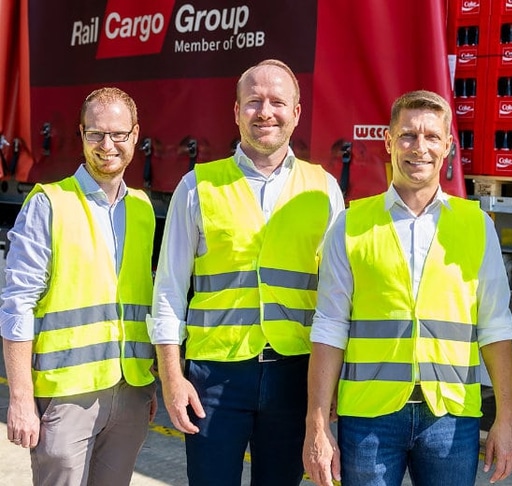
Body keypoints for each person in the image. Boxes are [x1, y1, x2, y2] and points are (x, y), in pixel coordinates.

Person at [303, 90, 512, 486]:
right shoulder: (351, 225)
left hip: (450, 418)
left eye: (432, 136)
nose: (419, 147)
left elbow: (496, 326)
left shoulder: (477, 226)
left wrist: (507, 417)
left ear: (447, 145)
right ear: (388, 141)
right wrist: (316, 424)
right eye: (407, 135)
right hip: (369, 418)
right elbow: (330, 325)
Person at [148, 59, 344, 486]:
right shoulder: (197, 186)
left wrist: (329, 390)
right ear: (236, 111)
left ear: (296, 113)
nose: (265, 112)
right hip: (215, 379)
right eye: (253, 101)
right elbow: (168, 292)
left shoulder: (324, 189)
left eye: (277, 102)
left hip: (295, 376)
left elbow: (337, 300)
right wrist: (172, 378)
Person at [1, 87, 157, 485]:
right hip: (67, 397)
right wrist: (20, 398)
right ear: (82, 134)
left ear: (135, 135)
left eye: (118, 134)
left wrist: (149, 382)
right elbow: (17, 304)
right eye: (96, 134)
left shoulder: (143, 209)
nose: (107, 145)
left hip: (130, 392)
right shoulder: (49, 204)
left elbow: (141, 303)